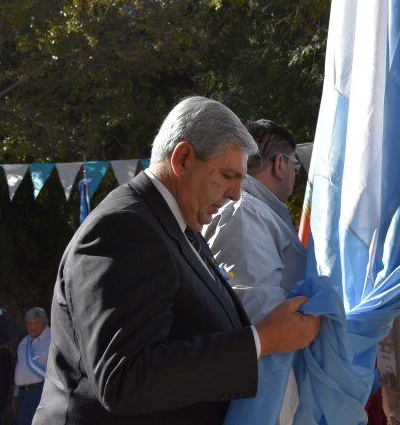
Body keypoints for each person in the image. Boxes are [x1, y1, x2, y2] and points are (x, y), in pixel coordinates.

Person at [33, 97, 321, 424]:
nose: (235, 194)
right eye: (228, 175)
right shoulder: (125, 228)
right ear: (183, 158)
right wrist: (262, 340)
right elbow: (125, 379)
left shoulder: (178, 225)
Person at [204, 119, 306, 424]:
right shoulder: (245, 213)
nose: (293, 176)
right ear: (280, 164)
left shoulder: (251, 212)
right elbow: (265, 321)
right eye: (295, 167)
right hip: (271, 396)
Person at [12, 308, 50, 425]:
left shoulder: (53, 338)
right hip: (23, 394)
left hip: (42, 391)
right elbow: (20, 369)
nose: (32, 326)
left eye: (36, 322)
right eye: (29, 323)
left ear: (44, 322)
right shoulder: (24, 343)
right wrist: (15, 394)